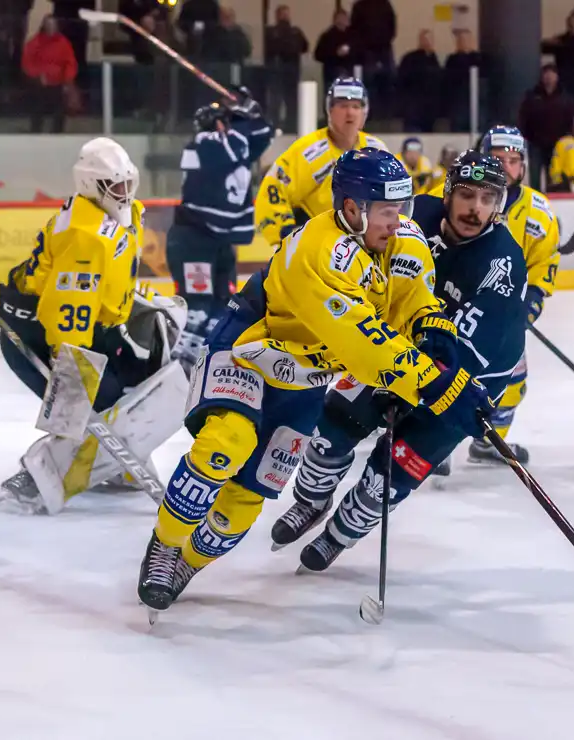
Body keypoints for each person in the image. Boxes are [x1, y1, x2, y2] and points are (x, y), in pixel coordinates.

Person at [134, 148, 495, 614]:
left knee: (251, 491)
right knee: (226, 443)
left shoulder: (402, 240)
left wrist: (433, 330)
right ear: (351, 209)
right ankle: (166, 545)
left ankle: (191, 560)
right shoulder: (320, 252)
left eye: (402, 208)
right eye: (387, 210)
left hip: (306, 375)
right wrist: (435, 384)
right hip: (252, 346)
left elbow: (412, 298)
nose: (400, 220)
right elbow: (361, 343)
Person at [269, 151, 526, 571]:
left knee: (391, 473)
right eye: (465, 194)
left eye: (487, 197)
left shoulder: (502, 262)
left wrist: (419, 377)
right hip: (399, 350)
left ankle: (340, 534)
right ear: (447, 192)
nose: (474, 208)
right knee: (330, 430)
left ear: (499, 204)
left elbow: (468, 351)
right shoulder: (412, 215)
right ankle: (311, 501)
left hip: (468, 376)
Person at [0, 138, 188, 514]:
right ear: (90, 186)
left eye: (128, 183)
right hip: (38, 335)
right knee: (97, 400)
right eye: (115, 186)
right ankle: (36, 474)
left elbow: (108, 283)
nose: (125, 193)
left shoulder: (119, 215)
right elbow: (68, 312)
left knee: (133, 384)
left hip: (92, 326)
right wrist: (73, 373)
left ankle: (111, 464)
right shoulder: (85, 237)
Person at [430, 125, 559, 466]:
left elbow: (546, 262)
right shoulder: (448, 193)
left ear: (524, 166)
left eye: (513, 160)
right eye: (497, 158)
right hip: (446, 302)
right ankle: (427, 433)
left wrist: (531, 301)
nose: (505, 165)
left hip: (500, 312)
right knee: (436, 368)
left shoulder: (539, 211)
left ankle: (489, 441)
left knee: (512, 382)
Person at [168, 94, 273, 373]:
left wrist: (252, 113)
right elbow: (240, 141)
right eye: (225, 122)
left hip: (218, 242)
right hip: (194, 239)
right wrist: (243, 119)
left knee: (222, 306)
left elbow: (263, 135)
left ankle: (206, 361)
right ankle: (176, 367)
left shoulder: (231, 146)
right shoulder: (204, 144)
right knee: (198, 305)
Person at [253, 77, 386, 246]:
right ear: (329, 110)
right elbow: (272, 189)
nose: (350, 113)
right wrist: (286, 237)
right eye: (343, 105)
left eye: (356, 106)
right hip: (319, 248)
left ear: (365, 113)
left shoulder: (377, 150)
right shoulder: (308, 151)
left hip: (366, 246)